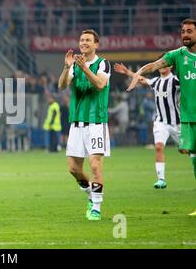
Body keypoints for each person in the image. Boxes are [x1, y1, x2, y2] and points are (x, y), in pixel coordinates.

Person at [127, 18, 196, 216]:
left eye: (190, 31)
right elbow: (153, 65)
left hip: (182, 120)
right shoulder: (177, 55)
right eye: (183, 31)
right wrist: (137, 73)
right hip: (189, 119)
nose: (185, 34)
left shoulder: (175, 77)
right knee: (194, 162)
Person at [58, 29, 111, 221]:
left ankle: (96, 208)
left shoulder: (103, 63)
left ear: (96, 44)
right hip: (76, 123)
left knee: (95, 166)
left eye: (88, 40)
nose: (84, 43)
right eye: (82, 40)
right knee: (73, 169)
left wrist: (85, 68)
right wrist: (66, 67)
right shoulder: (74, 65)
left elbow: (100, 84)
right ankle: (92, 194)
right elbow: (62, 86)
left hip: (96, 122)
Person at [115, 62, 180, 189]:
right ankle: (161, 179)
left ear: (171, 66)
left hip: (177, 123)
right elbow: (142, 79)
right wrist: (128, 72)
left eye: (165, 64)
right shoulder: (156, 81)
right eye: (160, 64)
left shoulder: (176, 81)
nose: (162, 66)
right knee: (159, 147)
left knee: (186, 150)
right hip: (160, 122)